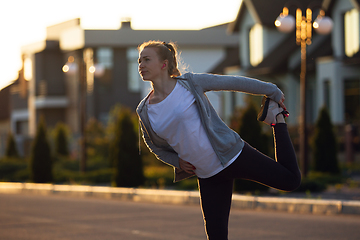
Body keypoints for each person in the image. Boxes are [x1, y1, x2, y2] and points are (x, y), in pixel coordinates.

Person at [136, 40, 301, 240]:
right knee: (216, 236)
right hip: (206, 175)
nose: (141, 65)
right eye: (139, 61)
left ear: (164, 64)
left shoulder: (190, 84)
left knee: (290, 181)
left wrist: (272, 90)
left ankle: (276, 119)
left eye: (146, 59)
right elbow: (153, 145)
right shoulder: (144, 110)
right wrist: (176, 161)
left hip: (232, 155)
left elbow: (232, 82)